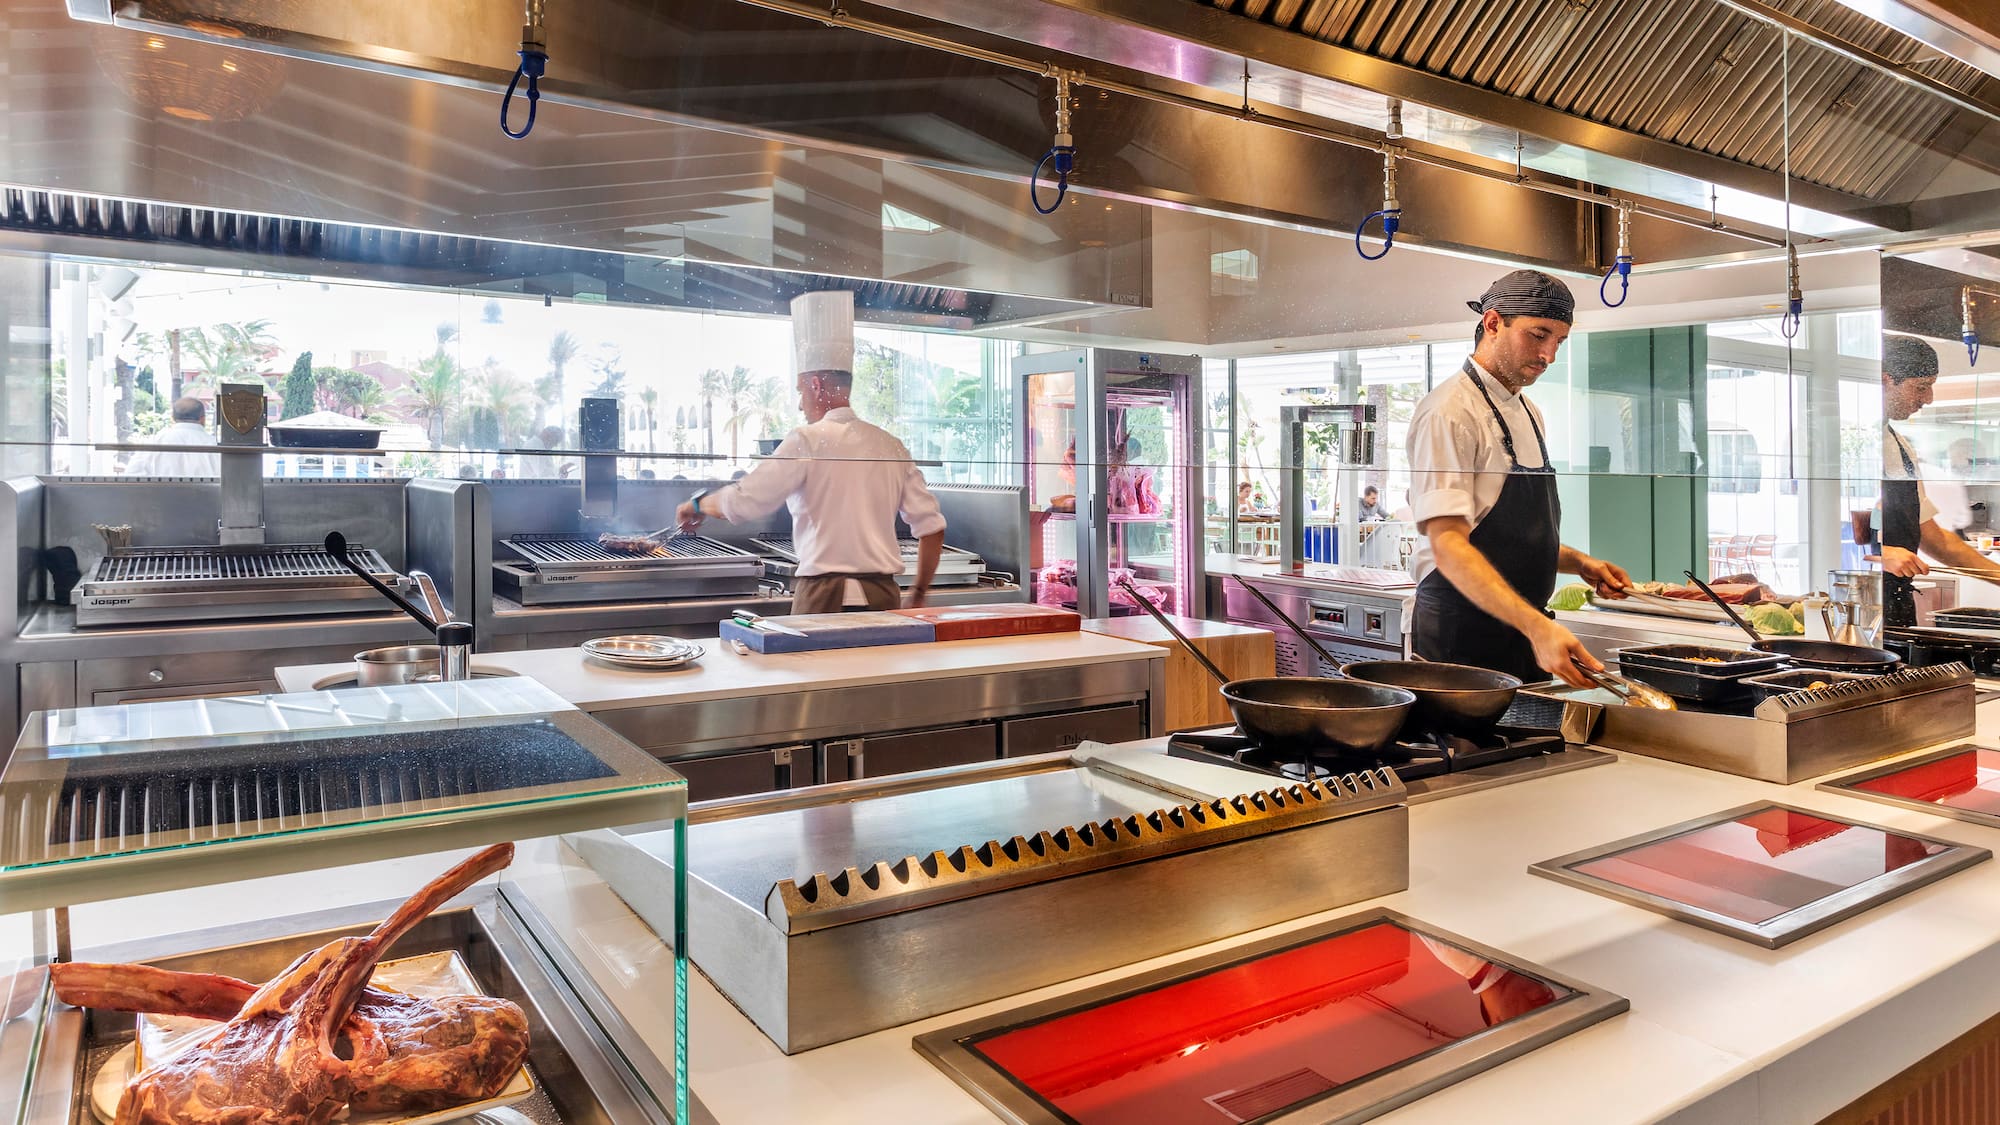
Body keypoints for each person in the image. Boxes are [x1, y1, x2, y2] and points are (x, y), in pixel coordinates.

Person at [1407, 269, 1630, 687]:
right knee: (1469, 753)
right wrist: (1536, 627)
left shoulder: (1529, 411)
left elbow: (1507, 537)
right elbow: (1450, 546)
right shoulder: (1449, 412)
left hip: (1522, 630)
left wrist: (1579, 562)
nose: (1549, 355)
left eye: (1559, 341)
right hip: (1462, 638)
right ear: (1493, 323)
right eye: (1538, 335)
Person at [676, 291, 947, 612]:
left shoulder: (806, 440)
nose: (800, 403)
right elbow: (932, 527)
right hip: (882, 598)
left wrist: (698, 504)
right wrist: (918, 592)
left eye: (801, 391)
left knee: (813, 664)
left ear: (816, 385)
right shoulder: (891, 444)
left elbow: (747, 500)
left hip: (822, 597)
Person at [1875, 335, 2000, 624]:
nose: (1928, 399)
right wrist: (1882, 554)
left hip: (1895, 607)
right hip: (1853, 606)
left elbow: (1933, 538)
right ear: (1885, 380)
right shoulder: (1845, 442)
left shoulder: (1900, 446)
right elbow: (1820, 533)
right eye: (1921, 387)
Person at [126, 397, 220, 476]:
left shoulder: (153, 442)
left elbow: (131, 477)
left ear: (173, 418)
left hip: (158, 497)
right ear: (203, 419)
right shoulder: (217, 447)